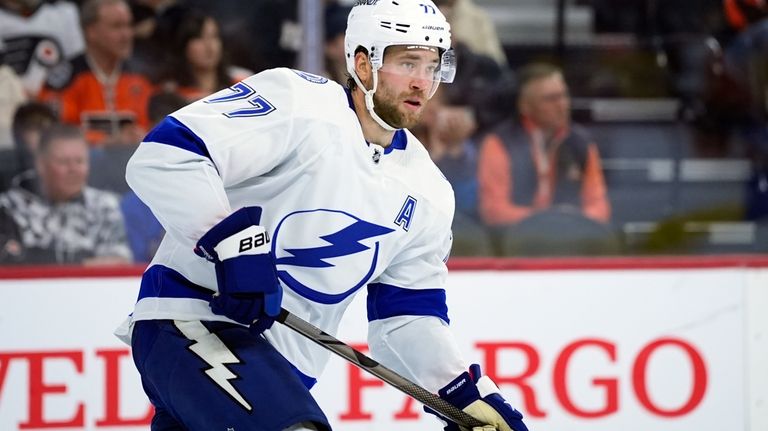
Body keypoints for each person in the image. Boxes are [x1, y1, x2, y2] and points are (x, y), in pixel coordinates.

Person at [116, 1, 530, 430]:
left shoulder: (429, 191)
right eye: (408, 62)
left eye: (431, 66)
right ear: (363, 64)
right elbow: (166, 156)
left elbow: (406, 317)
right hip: (192, 320)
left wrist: (464, 393)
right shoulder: (300, 103)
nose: (421, 82)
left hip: (279, 376)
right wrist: (233, 245)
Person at [478, 62, 611, 228]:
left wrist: (573, 220)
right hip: (515, 242)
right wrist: (546, 220)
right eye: (551, 99)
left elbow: (600, 206)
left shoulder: (580, 142)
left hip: (570, 238)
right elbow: (493, 211)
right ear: (525, 106)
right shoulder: (499, 143)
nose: (562, 105)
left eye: (564, 96)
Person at [0, 124, 132, 264]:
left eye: (79, 161)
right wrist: (85, 262)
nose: (73, 169)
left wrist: (42, 259)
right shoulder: (9, 206)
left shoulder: (104, 205)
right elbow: (8, 259)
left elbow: (119, 261)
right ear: (41, 164)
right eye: (63, 162)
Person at [38, 0, 154, 146]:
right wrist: (108, 142)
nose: (127, 35)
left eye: (129, 25)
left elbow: (154, 127)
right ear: (91, 32)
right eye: (117, 26)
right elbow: (56, 134)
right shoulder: (65, 79)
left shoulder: (143, 77)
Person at [156, 7, 250, 102]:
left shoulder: (243, 83)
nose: (209, 47)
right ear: (183, 45)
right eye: (199, 38)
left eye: (214, 36)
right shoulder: (171, 94)